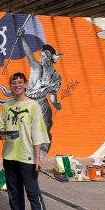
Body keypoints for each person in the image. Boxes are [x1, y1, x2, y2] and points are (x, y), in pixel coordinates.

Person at [0, 72, 49, 210]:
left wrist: (38, 158)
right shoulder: (6, 106)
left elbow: (38, 132)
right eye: (14, 82)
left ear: (26, 84)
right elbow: (1, 127)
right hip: (10, 156)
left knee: (33, 194)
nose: (17, 85)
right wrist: (4, 134)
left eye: (20, 82)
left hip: (28, 157)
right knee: (14, 191)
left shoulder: (33, 106)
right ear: (10, 86)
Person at [18, 27, 63, 156]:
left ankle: (40, 157)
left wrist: (56, 104)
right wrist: (22, 37)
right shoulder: (36, 67)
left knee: (43, 131)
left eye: (44, 56)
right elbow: (28, 54)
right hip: (29, 103)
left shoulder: (54, 75)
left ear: (51, 58)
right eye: (41, 55)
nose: (42, 58)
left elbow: (52, 94)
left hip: (42, 105)